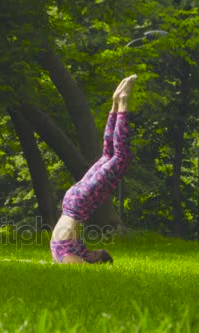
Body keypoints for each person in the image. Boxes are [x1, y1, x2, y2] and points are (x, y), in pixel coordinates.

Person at [50, 74, 137, 264]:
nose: (94, 251)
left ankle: (122, 103)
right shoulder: (74, 250)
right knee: (107, 156)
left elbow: (77, 270)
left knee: (122, 158)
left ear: (95, 262)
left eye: (97, 254)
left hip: (78, 204)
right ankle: (114, 105)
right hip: (72, 201)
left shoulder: (73, 257)